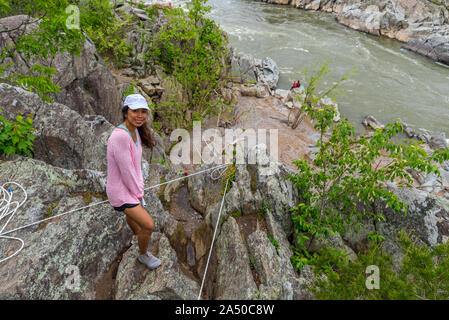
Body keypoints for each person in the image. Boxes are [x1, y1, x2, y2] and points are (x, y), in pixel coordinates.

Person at [106, 94, 161, 270]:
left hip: (128, 187)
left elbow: (134, 165)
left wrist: (138, 187)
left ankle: (137, 236)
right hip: (120, 191)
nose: (140, 115)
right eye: (135, 111)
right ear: (125, 112)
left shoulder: (135, 130)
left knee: (132, 215)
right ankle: (143, 255)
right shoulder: (121, 136)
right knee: (148, 224)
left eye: (143, 111)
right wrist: (138, 193)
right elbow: (126, 171)